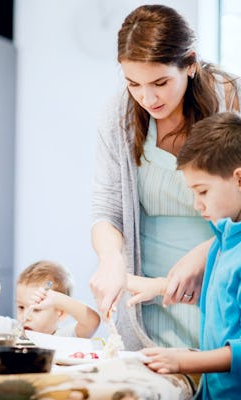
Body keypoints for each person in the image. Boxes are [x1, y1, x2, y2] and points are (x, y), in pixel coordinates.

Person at [89, 4, 241, 351]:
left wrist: (208, 252)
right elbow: (106, 206)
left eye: (160, 82)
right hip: (151, 299)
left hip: (224, 287)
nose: (147, 98)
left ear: (190, 63)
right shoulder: (119, 116)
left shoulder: (232, 99)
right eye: (133, 84)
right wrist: (110, 259)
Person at [126, 112, 241, 400]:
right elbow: (222, 308)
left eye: (202, 191)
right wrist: (159, 287)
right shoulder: (222, 242)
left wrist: (182, 361)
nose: (196, 204)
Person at [0, 260, 100, 337]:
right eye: (21, 307)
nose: (26, 316)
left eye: (36, 310)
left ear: (61, 313)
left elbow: (92, 322)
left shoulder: (64, 337)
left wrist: (58, 300)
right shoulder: (11, 330)